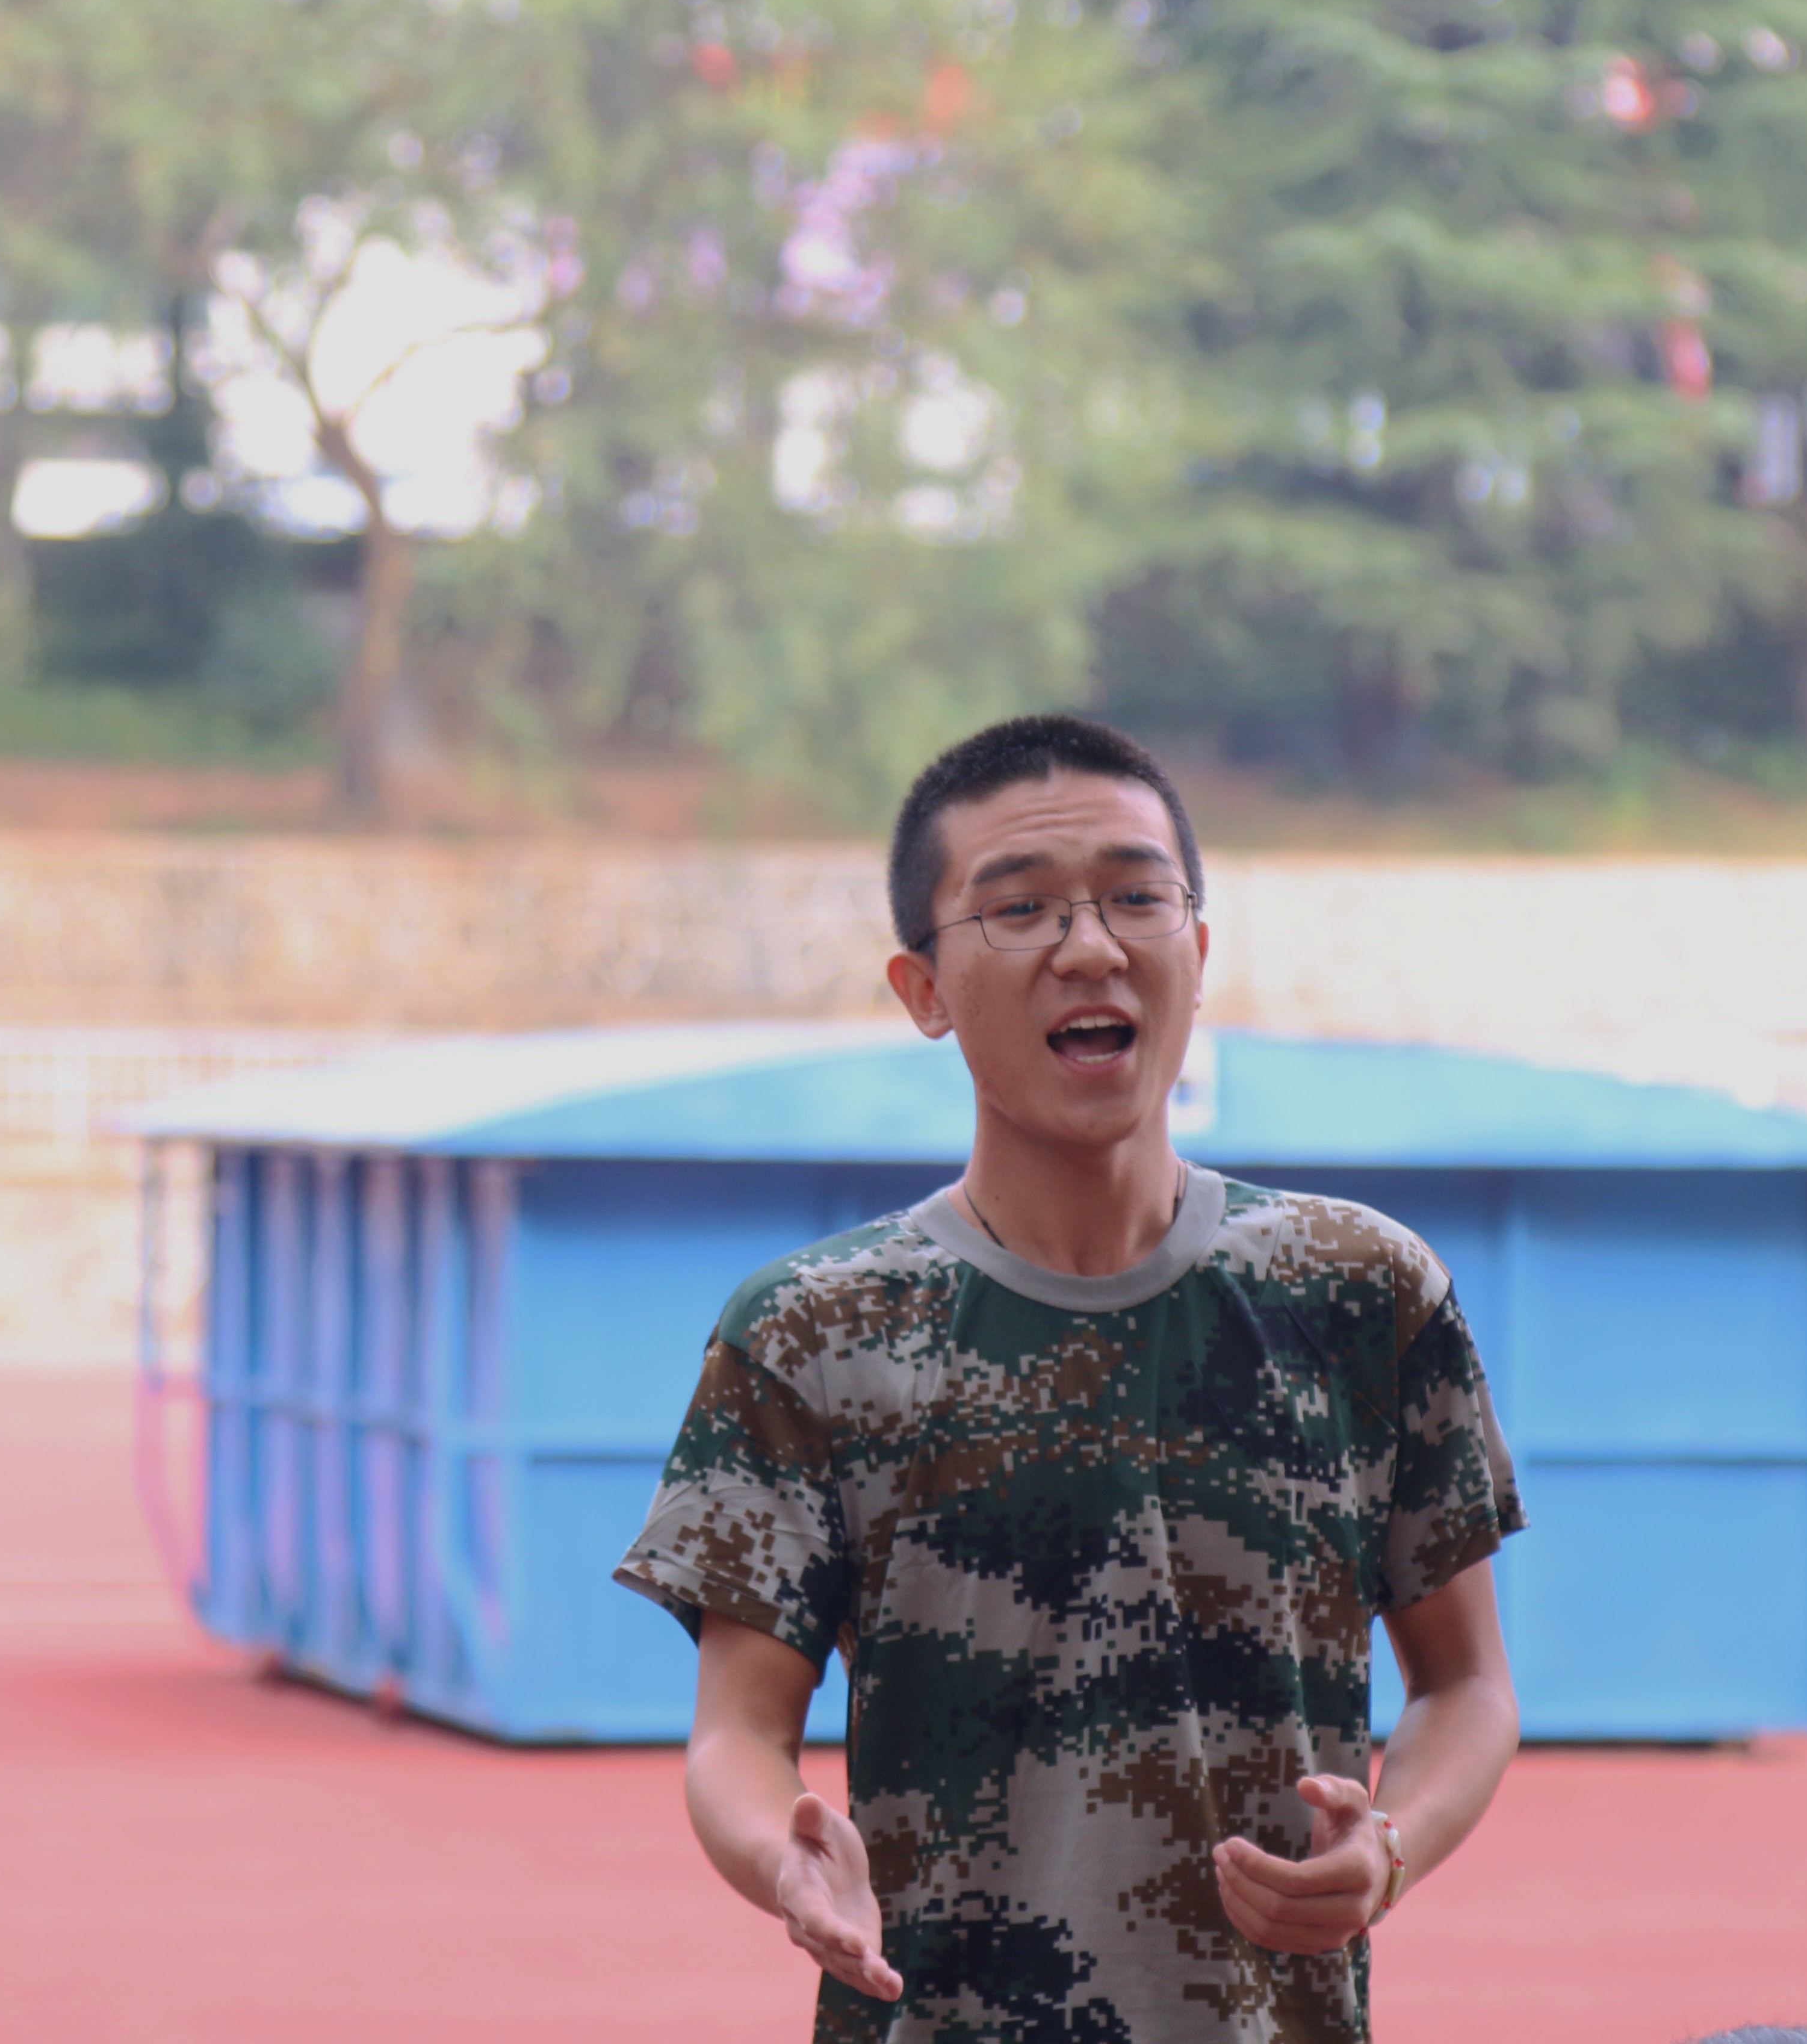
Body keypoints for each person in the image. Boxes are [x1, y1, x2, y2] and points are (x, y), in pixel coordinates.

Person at [615, 714, 1526, 2043]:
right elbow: (738, 1734)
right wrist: (782, 1858)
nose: (1090, 947)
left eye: (1136, 898)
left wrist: (1389, 1845)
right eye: (1021, 909)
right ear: (922, 990)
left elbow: (1467, 1684)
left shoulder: (1361, 1291)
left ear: (1198, 950)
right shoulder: (811, 1331)